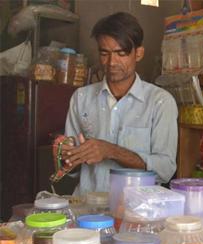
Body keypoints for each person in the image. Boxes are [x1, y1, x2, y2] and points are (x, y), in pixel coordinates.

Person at [60, 12, 177, 195]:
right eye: (104, 53)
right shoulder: (81, 98)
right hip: (87, 209)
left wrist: (110, 151)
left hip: (138, 212)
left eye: (121, 53)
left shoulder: (160, 102)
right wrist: (65, 159)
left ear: (138, 53)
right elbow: (72, 171)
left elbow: (165, 169)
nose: (112, 62)